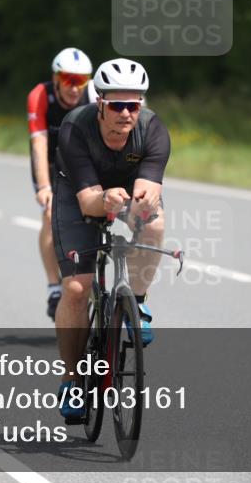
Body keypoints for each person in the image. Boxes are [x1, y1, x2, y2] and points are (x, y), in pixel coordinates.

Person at [51, 57, 170, 420]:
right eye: (116, 104)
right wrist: (105, 201)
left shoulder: (152, 130)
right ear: (99, 102)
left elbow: (149, 188)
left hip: (127, 191)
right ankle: (72, 380)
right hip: (78, 193)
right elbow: (88, 201)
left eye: (132, 104)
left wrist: (140, 206)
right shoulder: (75, 127)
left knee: (154, 224)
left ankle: (136, 304)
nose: (125, 113)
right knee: (75, 288)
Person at [26, 47, 96, 320]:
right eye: (68, 79)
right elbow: (39, 143)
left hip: (82, 160)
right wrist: (44, 187)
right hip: (51, 162)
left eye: (81, 79)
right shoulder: (41, 95)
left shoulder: (92, 95)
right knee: (50, 214)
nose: (74, 86)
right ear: (56, 78)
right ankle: (54, 287)